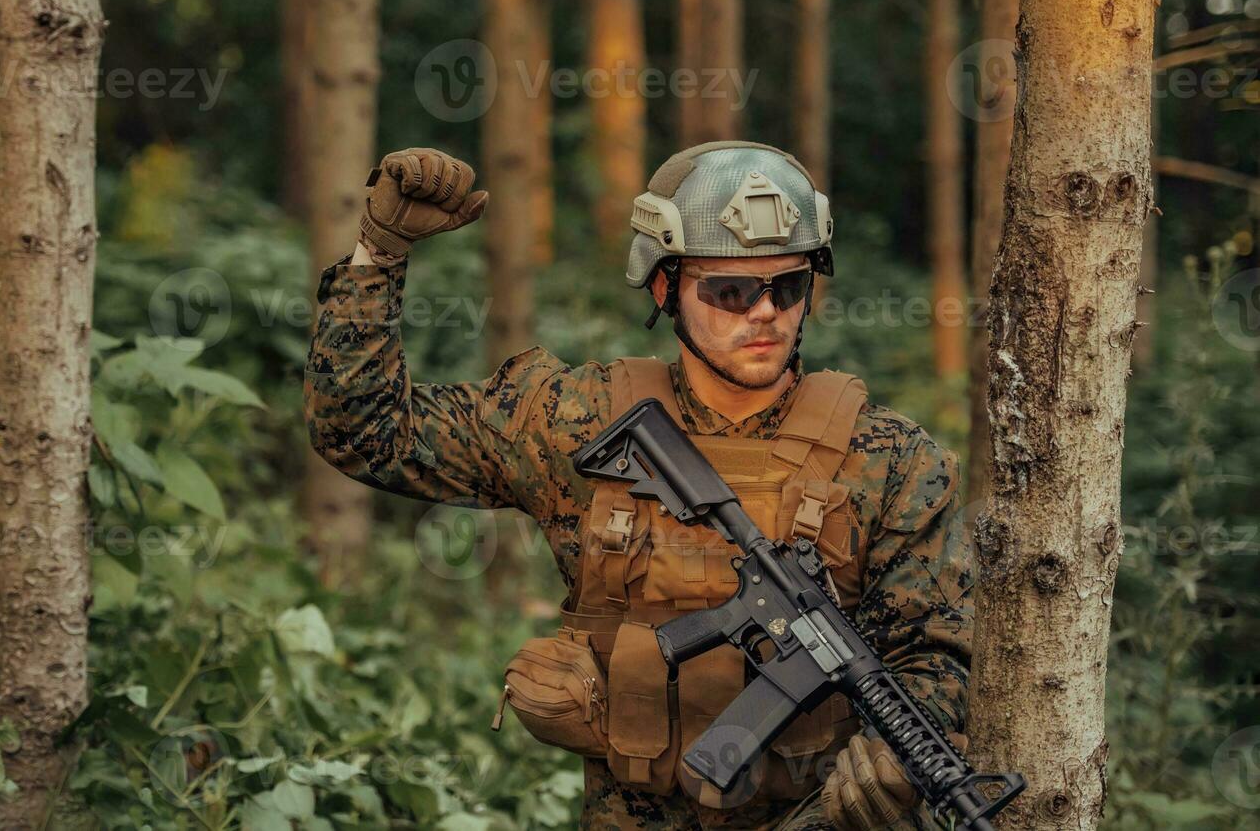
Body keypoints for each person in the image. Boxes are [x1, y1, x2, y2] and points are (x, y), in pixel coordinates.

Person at [304, 143, 972, 831]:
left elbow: (939, 653)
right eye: (731, 291)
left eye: (789, 286)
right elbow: (363, 433)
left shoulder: (890, 458)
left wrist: (893, 762)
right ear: (664, 286)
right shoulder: (576, 421)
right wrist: (376, 256)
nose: (766, 313)